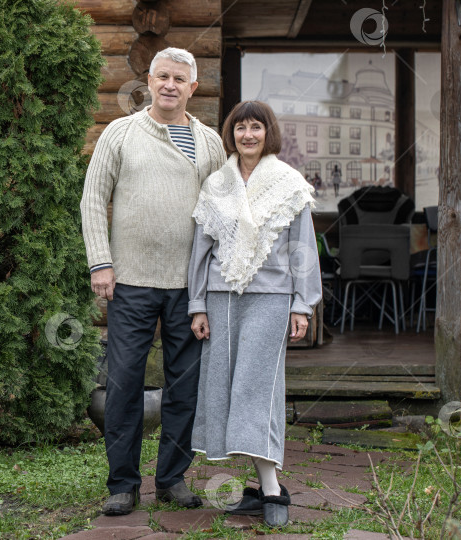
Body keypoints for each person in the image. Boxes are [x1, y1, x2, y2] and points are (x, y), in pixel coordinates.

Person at [80, 47, 226, 516]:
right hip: (131, 283)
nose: (169, 85)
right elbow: (92, 199)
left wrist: (217, 281)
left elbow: (223, 214)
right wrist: (101, 262)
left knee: (185, 387)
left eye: (179, 79)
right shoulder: (120, 133)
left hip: (190, 289)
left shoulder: (208, 142)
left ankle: (171, 480)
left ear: (192, 87)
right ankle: (122, 484)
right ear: (149, 79)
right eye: (162, 76)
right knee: (124, 383)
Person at [187, 100, 322, 528]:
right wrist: (197, 304)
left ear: (269, 133)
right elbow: (201, 249)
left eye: (256, 128)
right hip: (222, 297)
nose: (248, 135)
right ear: (231, 133)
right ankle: (265, 489)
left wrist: (303, 304)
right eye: (241, 127)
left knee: (256, 389)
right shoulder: (216, 184)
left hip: (270, 297)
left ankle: (270, 491)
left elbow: (303, 248)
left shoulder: (288, 182)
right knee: (226, 388)